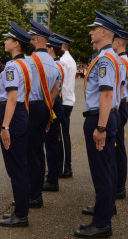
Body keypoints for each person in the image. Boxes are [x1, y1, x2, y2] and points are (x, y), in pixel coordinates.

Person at [74, 11, 122, 238]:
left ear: (104, 32)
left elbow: (106, 95)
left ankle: (101, 223)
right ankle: (104, 212)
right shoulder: (108, 56)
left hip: (99, 117)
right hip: (104, 116)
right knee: (107, 168)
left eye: (94, 29)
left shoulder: (105, 59)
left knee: (102, 171)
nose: (90, 32)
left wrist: (101, 127)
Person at [0, 21, 34, 228]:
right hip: (22, 112)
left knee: (15, 166)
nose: (5, 41)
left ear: (16, 44)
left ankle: (20, 214)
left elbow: (11, 98)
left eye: (8, 39)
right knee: (21, 163)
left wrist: (5, 127)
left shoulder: (12, 66)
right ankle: (21, 208)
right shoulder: (26, 63)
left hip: (12, 113)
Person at [25, 20, 60, 208]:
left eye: (31, 37)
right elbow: (55, 89)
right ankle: (36, 193)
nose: (29, 39)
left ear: (37, 38)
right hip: (44, 107)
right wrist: (48, 109)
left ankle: (32, 194)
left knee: (29, 152)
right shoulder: (54, 63)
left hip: (30, 107)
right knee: (38, 151)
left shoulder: (29, 61)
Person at [112, 28, 128, 200]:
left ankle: (119, 186)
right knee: (117, 147)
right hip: (121, 105)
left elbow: (119, 89)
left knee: (117, 148)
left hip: (119, 106)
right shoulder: (123, 60)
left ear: (119, 42)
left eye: (113, 40)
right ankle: (118, 184)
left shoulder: (122, 61)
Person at [43, 37, 66, 192]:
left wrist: (46, 110)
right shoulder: (57, 64)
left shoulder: (54, 65)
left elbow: (54, 90)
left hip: (53, 103)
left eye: (47, 46)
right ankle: (52, 174)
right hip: (56, 102)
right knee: (53, 143)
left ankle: (52, 179)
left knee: (51, 143)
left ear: (51, 49)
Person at [56, 33, 76, 178]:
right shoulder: (70, 59)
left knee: (62, 136)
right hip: (68, 100)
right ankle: (63, 165)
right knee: (63, 135)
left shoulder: (63, 61)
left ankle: (64, 168)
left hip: (63, 100)